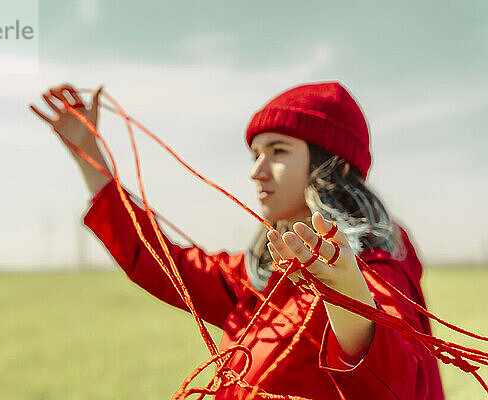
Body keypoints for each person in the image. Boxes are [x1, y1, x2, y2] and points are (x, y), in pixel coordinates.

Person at [30, 81, 445, 399]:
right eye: (255, 154)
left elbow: (407, 385)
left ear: (329, 165)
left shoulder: (374, 272)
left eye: (278, 151)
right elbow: (159, 259)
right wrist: (89, 154)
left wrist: (349, 297)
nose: (257, 171)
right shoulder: (260, 279)